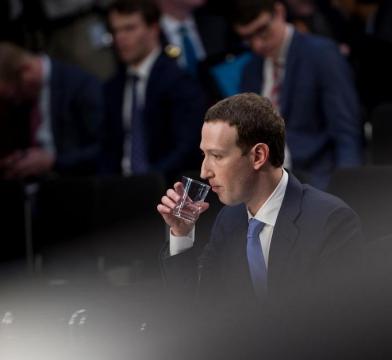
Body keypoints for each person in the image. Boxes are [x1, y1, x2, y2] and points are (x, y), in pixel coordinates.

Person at [157, 93, 363, 307]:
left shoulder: (332, 222)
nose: (204, 172)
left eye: (217, 156)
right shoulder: (228, 220)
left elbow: (338, 324)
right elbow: (196, 309)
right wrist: (181, 235)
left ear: (258, 156)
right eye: (204, 155)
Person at [231, 0, 362, 189]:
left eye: (262, 31)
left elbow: (346, 131)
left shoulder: (321, 54)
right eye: (248, 38)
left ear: (279, 12)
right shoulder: (251, 69)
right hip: (264, 184)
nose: (257, 44)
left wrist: (348, 188)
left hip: (316, 178)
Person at [101, 0, 206, 180]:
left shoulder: (179, 81)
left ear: (154, 28)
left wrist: (148, 181)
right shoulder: (113, 88)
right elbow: (108, 150)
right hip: (119, 189)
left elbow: (186, 148)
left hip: (164, 186)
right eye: (115, 30)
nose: (120, 38)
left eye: (129, 28)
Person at [0, 41, 104, 179]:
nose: (16, 102)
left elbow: (105, 150)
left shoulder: (81, 87)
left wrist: (54, 162)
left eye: (14, 96)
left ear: (26, 71)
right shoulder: (25, 99)